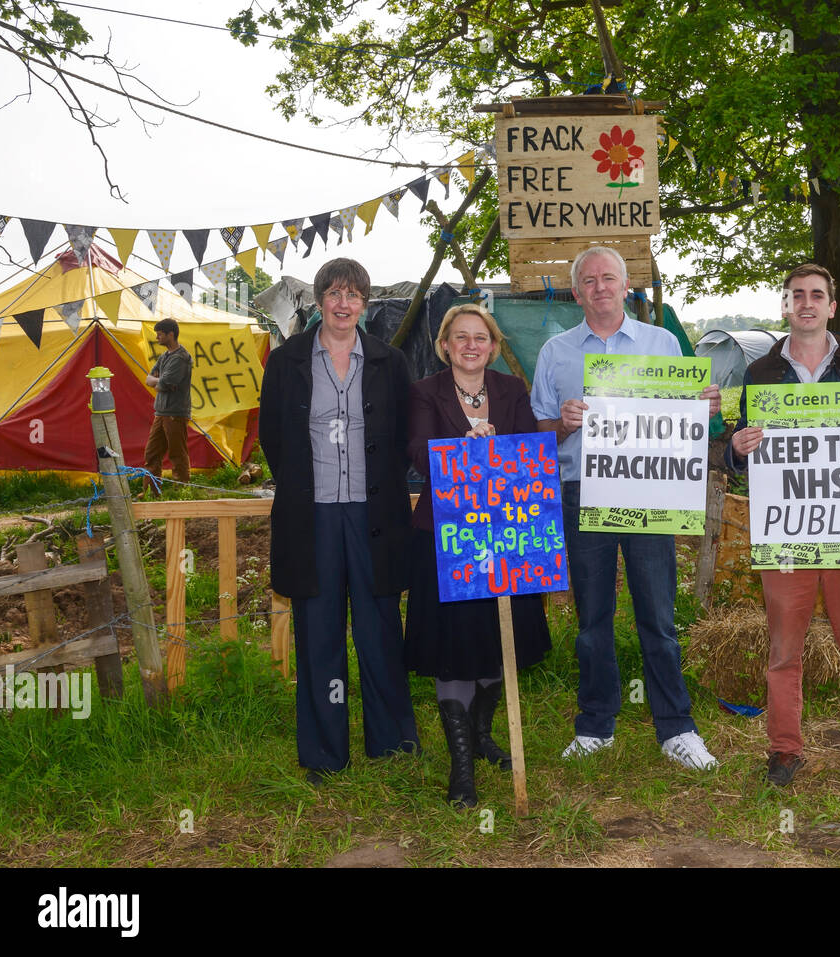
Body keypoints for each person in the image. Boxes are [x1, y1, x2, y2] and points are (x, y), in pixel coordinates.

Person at [530, 245, 720, 770]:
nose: (599, 287)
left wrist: (705, 408)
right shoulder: (555, 352)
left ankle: (676, 728)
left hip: (649, 494)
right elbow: (539, 430)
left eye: (608, 278)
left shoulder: (662, 343)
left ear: (625, 285)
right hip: (582, 493)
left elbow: (687, 420)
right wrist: (562, 424)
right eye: (588, 281)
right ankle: (595, 724)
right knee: (592, 617)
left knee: (657, 614)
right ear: (576, 292)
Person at [726, 264, 840, 796]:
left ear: (832, 306)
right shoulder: (761, 372)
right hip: (788, 533)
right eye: (797, 295)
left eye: (817, 295)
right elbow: (744, 435)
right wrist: (737, 448)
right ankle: (785, 748)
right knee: (784, 649)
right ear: (785, 306)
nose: (806, 303)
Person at [258, 258, 419, 785]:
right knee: (318, 630)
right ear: (320, 301)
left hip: (375, 514)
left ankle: (392, 742)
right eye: (334, 293)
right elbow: (273, 438)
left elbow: (401, 438)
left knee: (378, 627)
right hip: (314, 517)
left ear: (364, 304)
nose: (344, 304)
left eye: (354, 295)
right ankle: (325, 752)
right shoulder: (286, 362)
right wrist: (306, 484)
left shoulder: (389, 362)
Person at [404, 303, 552, 807]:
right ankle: (461, 768)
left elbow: (531, 448)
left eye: (481, 337)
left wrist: (503, 449)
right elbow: (420, 453)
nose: (471, 345)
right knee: (455, 648)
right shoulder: (424, 392)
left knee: (496, 642)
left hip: (508, 536)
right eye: (461, 337)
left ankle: (485, 734)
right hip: (447, 539)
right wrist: (465, 449)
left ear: (492, 345)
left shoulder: (512, 390)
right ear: (445, 344)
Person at [143, 318, 193, 490]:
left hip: (175, 413)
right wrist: (159, 381)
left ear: (170, 334)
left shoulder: (181, 358)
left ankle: (181, 490)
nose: (157, 337)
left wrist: (158, 381)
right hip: (161, 412)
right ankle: (151, 490)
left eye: (160, 334)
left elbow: (163, 383)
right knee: (151, 453)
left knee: (177, 453)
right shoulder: (165, 356)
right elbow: (151, 379)